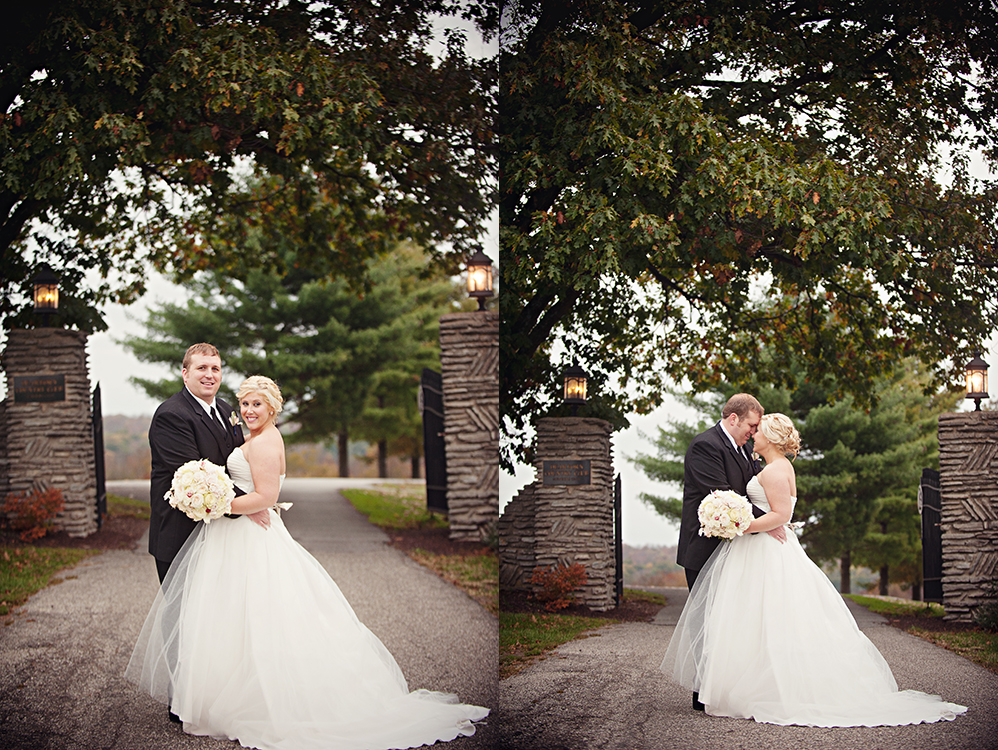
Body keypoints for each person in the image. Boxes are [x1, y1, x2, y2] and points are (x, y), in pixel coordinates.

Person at [126, 376, 489, 750]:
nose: (249, 411)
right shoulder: (244, 431)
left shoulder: (266, 443)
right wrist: (216, 500)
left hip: (248, 536)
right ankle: (222, 692)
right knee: (232, 617)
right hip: (231, 535)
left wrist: (217, 503)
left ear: (272, 409)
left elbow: (266, 495)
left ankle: (267, 700)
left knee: (263, 616)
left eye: (257, 405)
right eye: (245, 404)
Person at [662, 413, 968, 727]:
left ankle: (771, 689)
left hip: (765, 548)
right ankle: (743, 683)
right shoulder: (767, 466)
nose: (754, 435)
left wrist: (740, 524)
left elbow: (780, 515)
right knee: (752, 618)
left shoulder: (778, 470)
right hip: (756, 547)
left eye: (759, 431)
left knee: (772, 617)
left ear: (772, 437)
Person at [676, 393, 784, 711]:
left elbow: (755, 488)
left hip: (737, 549)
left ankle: (728, 687)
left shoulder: (744, 448)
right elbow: (723, 496)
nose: (754, 431)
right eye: (751, 425)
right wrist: (768, 521)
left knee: (731, 620)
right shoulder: (705, 446)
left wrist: (773, 515)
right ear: (733, 419)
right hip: (705, 548)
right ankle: (703, 691)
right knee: (707, 620)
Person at [147, 343, 268, 585]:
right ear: (185, 373)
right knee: (184, 619)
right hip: (181, 536)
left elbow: (234, 457)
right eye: (201, 367)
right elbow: (199, 477)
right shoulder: (171, 415)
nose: (210, 375)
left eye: (216, 368)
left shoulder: (225, 410)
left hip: (221, 536)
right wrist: (250, 504)